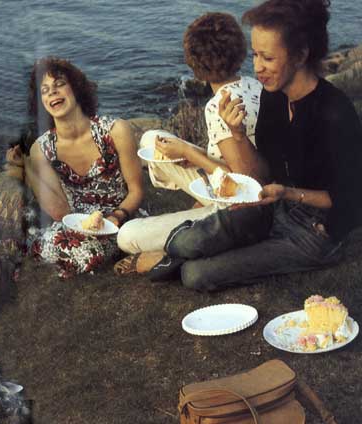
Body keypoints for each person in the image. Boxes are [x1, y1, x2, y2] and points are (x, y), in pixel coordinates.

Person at [150, 0, 362, 291]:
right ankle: (184, 247)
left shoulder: (334, 113)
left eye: (268, 59)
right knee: (187, 242)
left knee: (195, 275)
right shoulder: (272, 96)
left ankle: (190, 255)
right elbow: (260, 177)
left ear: (301, 55)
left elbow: (350, 200)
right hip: (275, 207)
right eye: (255, 56)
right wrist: (237, 134)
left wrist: (289, 193)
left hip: (318, 230)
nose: (258, 68)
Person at [115, 12, 265, 276]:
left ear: (195, 65)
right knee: (152, 139)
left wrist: (188, 152)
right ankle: (199, 207)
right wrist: (192, 155)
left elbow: (239, 182)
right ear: (240, 52)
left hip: (234, 205)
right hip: (239, 180)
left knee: (127, 236)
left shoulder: (217, 106)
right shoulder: (254, 85)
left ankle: (185, 238)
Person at [23, 57, 143, 278]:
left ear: (76, 89)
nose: (52, 93)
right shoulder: (41, 149)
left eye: (59, 85)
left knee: (83, 253)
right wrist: (27, 168)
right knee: (51, 245)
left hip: (121, 216)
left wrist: (116, 217)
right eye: (45, 90)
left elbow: (136, 191)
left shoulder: (116, 131)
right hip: (76, 224)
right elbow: (60, 212)